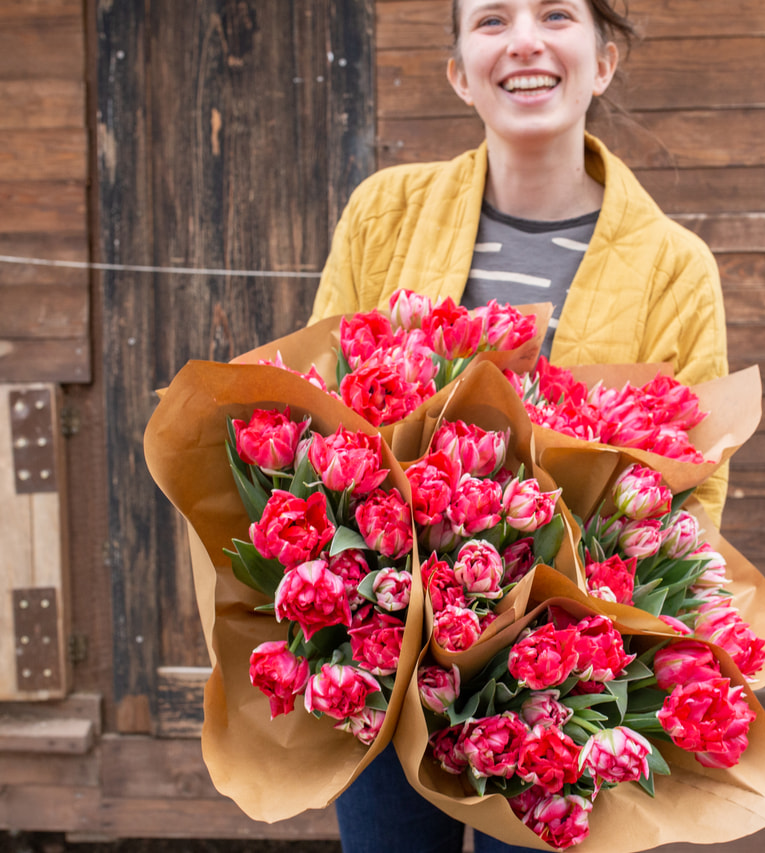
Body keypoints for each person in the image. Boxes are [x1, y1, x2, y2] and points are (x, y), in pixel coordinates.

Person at [311, 1, 729, 850]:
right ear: (461, 72)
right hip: (388, 664)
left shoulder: (673, 266)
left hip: (559, 694)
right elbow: (319, 412)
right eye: (492, 19)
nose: (526, 40)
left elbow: (696, 490)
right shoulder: (382, 215)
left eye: (556, 14)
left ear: (603, 61)